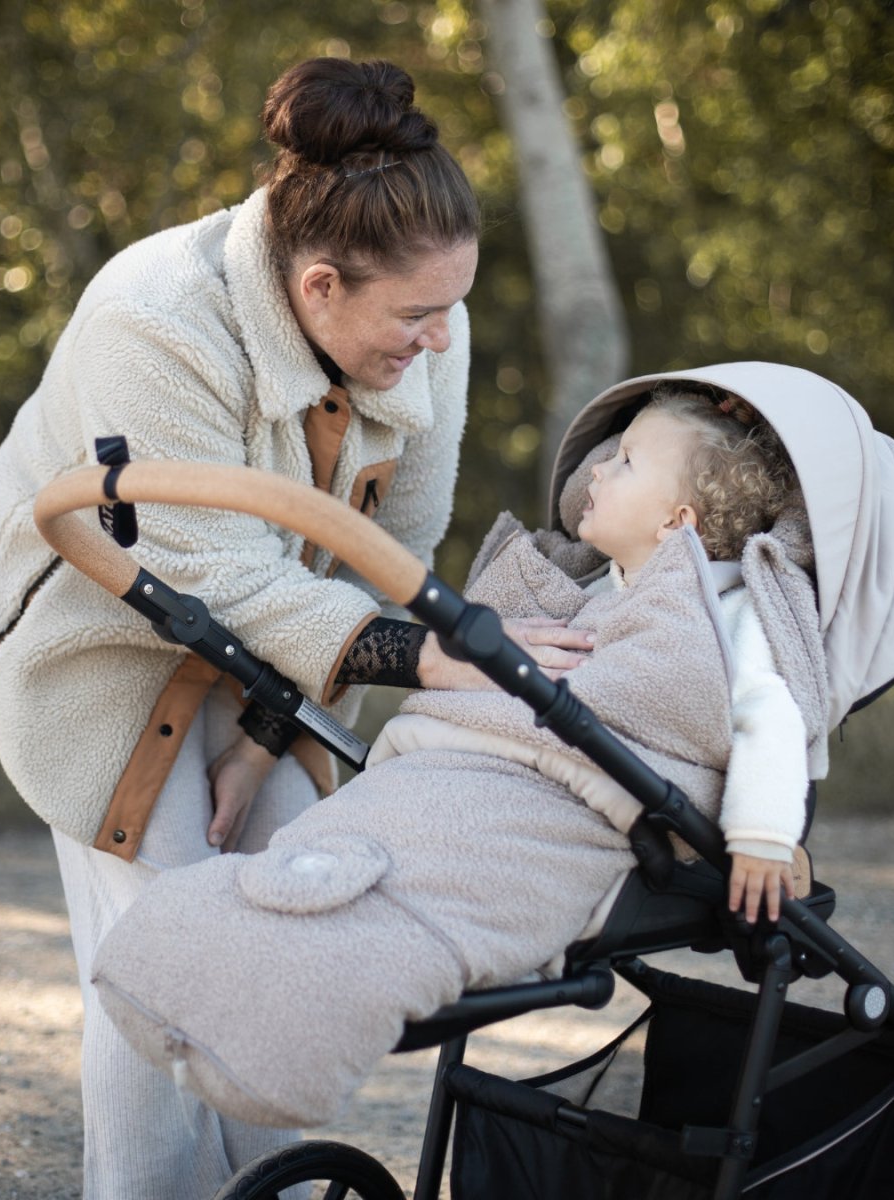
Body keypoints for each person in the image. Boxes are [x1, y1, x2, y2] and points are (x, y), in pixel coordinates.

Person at [0, 56, 583, 1200]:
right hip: (98, 629)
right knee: (165, 946)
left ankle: (284, 1188)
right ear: (317, 287)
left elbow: (391, 550)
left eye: (452, 306)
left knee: (292, 900)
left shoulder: (423, 331)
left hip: (271, 642)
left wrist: (265, 736)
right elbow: (211, 569)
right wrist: (437, 659)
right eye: (418, 315)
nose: (441, 341)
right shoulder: (153, 320)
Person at [92, 382, 827, 1132]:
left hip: (554, 810)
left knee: (405, 902)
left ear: (677, 521)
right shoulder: (579, 585)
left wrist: (763, 836)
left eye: (628, 461)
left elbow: (771, 717)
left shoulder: (724, 612)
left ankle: (287, 1043)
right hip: (444, 772)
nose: (599, 469)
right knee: (318, 853)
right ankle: (170, 963)